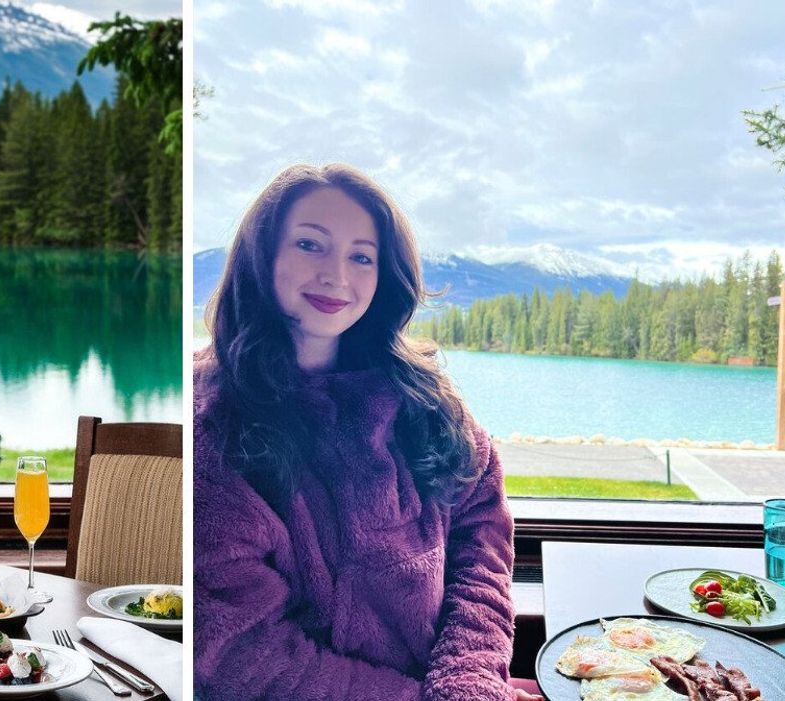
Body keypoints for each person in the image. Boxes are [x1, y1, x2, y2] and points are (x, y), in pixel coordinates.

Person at [193, 163, 542, 701]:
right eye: (310, 245)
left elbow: (481, 531)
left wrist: (467, 682)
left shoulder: (423, 395)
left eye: (362, 256)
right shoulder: (213, 426)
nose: (337, 275)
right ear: (262, 255)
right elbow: (240, 651)